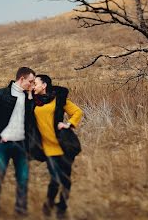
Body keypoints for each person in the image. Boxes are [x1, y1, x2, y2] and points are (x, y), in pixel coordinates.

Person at [0, 66, 36, 217]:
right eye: (30, 82)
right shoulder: (0, 94)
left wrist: (30, 97)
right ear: (21, 79)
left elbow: (31, 121)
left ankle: (21, 211)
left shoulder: (29, 98)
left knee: (23, 179)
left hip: (22, 145)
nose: (32, 85)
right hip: (3, 144)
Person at [31, 74, 83, 218]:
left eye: (35, 83)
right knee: (55, 179)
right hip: (47, 148)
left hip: (64, 146)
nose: (33, 86)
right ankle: (48, 205)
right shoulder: (33, 102)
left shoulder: (58, 100)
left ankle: (62, 206)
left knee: (65, 179)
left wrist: (68, 124)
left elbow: (77, 112)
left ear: (44, 85)